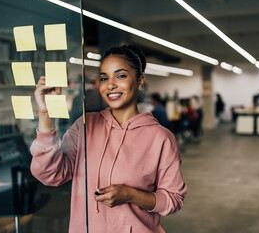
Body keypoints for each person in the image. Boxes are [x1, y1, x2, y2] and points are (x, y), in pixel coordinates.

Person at [30, 45, 187, 233]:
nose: (110, 85)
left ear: (140, 81)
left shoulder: (161, 138)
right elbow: (50, 175)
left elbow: (174, 200)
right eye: (104, 78)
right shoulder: (85, 126)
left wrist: (131, 194)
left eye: (120, 76)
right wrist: (45, 114)